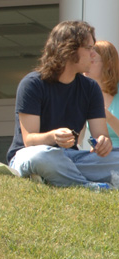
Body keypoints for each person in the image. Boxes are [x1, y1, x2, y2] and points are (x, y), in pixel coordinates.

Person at [7, 20, 119, 190]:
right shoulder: (32, 84)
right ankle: (88, 186)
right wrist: (53, 137)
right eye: (89, 48)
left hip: (71, 158)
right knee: (43, 157)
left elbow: (101, 136)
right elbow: (29, 140)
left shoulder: (90, 88)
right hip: (32, 154)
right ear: (70, 50)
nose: (93, 55)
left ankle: (58, 177)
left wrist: (103, 143)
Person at [85, 40, 119, 147]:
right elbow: (78, 140)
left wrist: (108, 116)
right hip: (101, 158)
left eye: (91, 61)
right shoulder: (86, 93)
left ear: (108, 64)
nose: (85, 65)